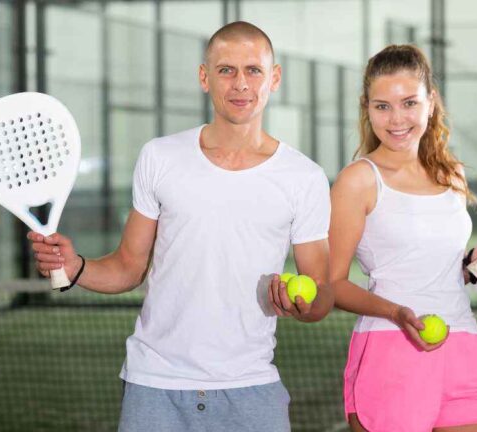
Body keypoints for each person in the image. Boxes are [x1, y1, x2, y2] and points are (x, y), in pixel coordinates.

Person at [28, 21, 334, 432]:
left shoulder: (304, 177)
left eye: (253, 70)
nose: (240, 83)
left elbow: (321, 292)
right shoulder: (159, 157)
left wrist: (302, 304)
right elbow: (128, 266)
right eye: (226, 70)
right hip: (154, 387)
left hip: (250, 388)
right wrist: (75, 265)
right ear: (204, 77)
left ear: (274, 78)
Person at [329, 45, 477, 432]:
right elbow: (332, 284)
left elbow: (441, 266)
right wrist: (397, 313)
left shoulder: (452, 175)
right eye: (382, 106)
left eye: (409, 103)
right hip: (391, 349)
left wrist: (475, 263)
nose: (396, 119)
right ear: (366, 107)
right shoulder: (359, 180)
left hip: (462, 342)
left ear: (431, 102)